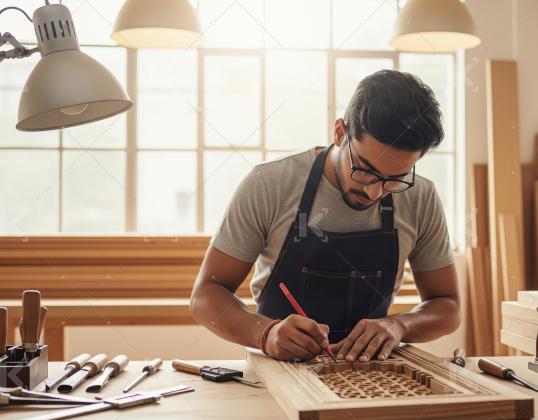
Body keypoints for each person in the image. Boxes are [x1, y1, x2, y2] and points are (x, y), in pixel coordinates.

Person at [190, 69, 460, 363]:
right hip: (278, 373)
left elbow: (447, 306)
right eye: (365, 171)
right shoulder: (270, 184)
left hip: (370, 378)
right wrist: (265, 333)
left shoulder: (420, 197)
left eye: (395, 178)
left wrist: (399, 324)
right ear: (340, 133)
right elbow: (205, 296)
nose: (375, 192)